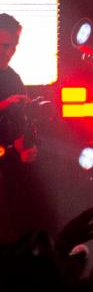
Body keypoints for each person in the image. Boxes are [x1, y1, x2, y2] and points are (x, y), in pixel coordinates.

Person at [0, 13, 39, 240]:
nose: (9, 52)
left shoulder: (14, 79)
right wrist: (6, 104)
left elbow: (20, 127)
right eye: (4, 45)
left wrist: (26, 146)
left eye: (13, 46)